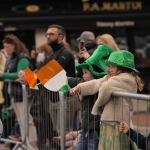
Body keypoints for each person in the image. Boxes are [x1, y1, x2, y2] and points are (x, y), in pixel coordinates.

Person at [70, 50, 144, 150]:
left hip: (117, 121)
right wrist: (79, 87)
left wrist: (98, 105)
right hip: (110, 119)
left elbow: (105, 87)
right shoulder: (114, 77)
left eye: (112, 66)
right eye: (109, 66)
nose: (109, 69)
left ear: (121, 67)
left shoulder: (125, 78)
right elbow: (96, 83)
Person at [18, 24, 76, 146]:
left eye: (51, 34)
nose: (48, 36)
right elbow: (41, 70)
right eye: (47, 34)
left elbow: (49, 72)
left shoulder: (66, 53)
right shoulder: (51, 53)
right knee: (53, 135)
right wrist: (25, 75)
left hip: (65, 100)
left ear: (60, 37)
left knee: (63, 135)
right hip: (51, 99)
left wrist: (28, 77)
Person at [68, 45, 114, 150]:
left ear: (94, 74)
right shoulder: (82, 82)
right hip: (85, 127)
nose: (83, 75)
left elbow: (96, 83)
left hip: (95, 128)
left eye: (85, 73)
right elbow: (68, 80)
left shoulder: (99, 85)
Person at [0, 34, 38, 149]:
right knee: (22, 121)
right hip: (15, 94)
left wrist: (3, 75)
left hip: (23, 94)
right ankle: (26, 144)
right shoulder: (12, 58)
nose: (6, 49)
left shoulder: (23, 58)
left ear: (14, 45)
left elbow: (21, 74)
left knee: (27, 120)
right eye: (5, 47)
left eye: (7, 46)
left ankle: (33, 146)